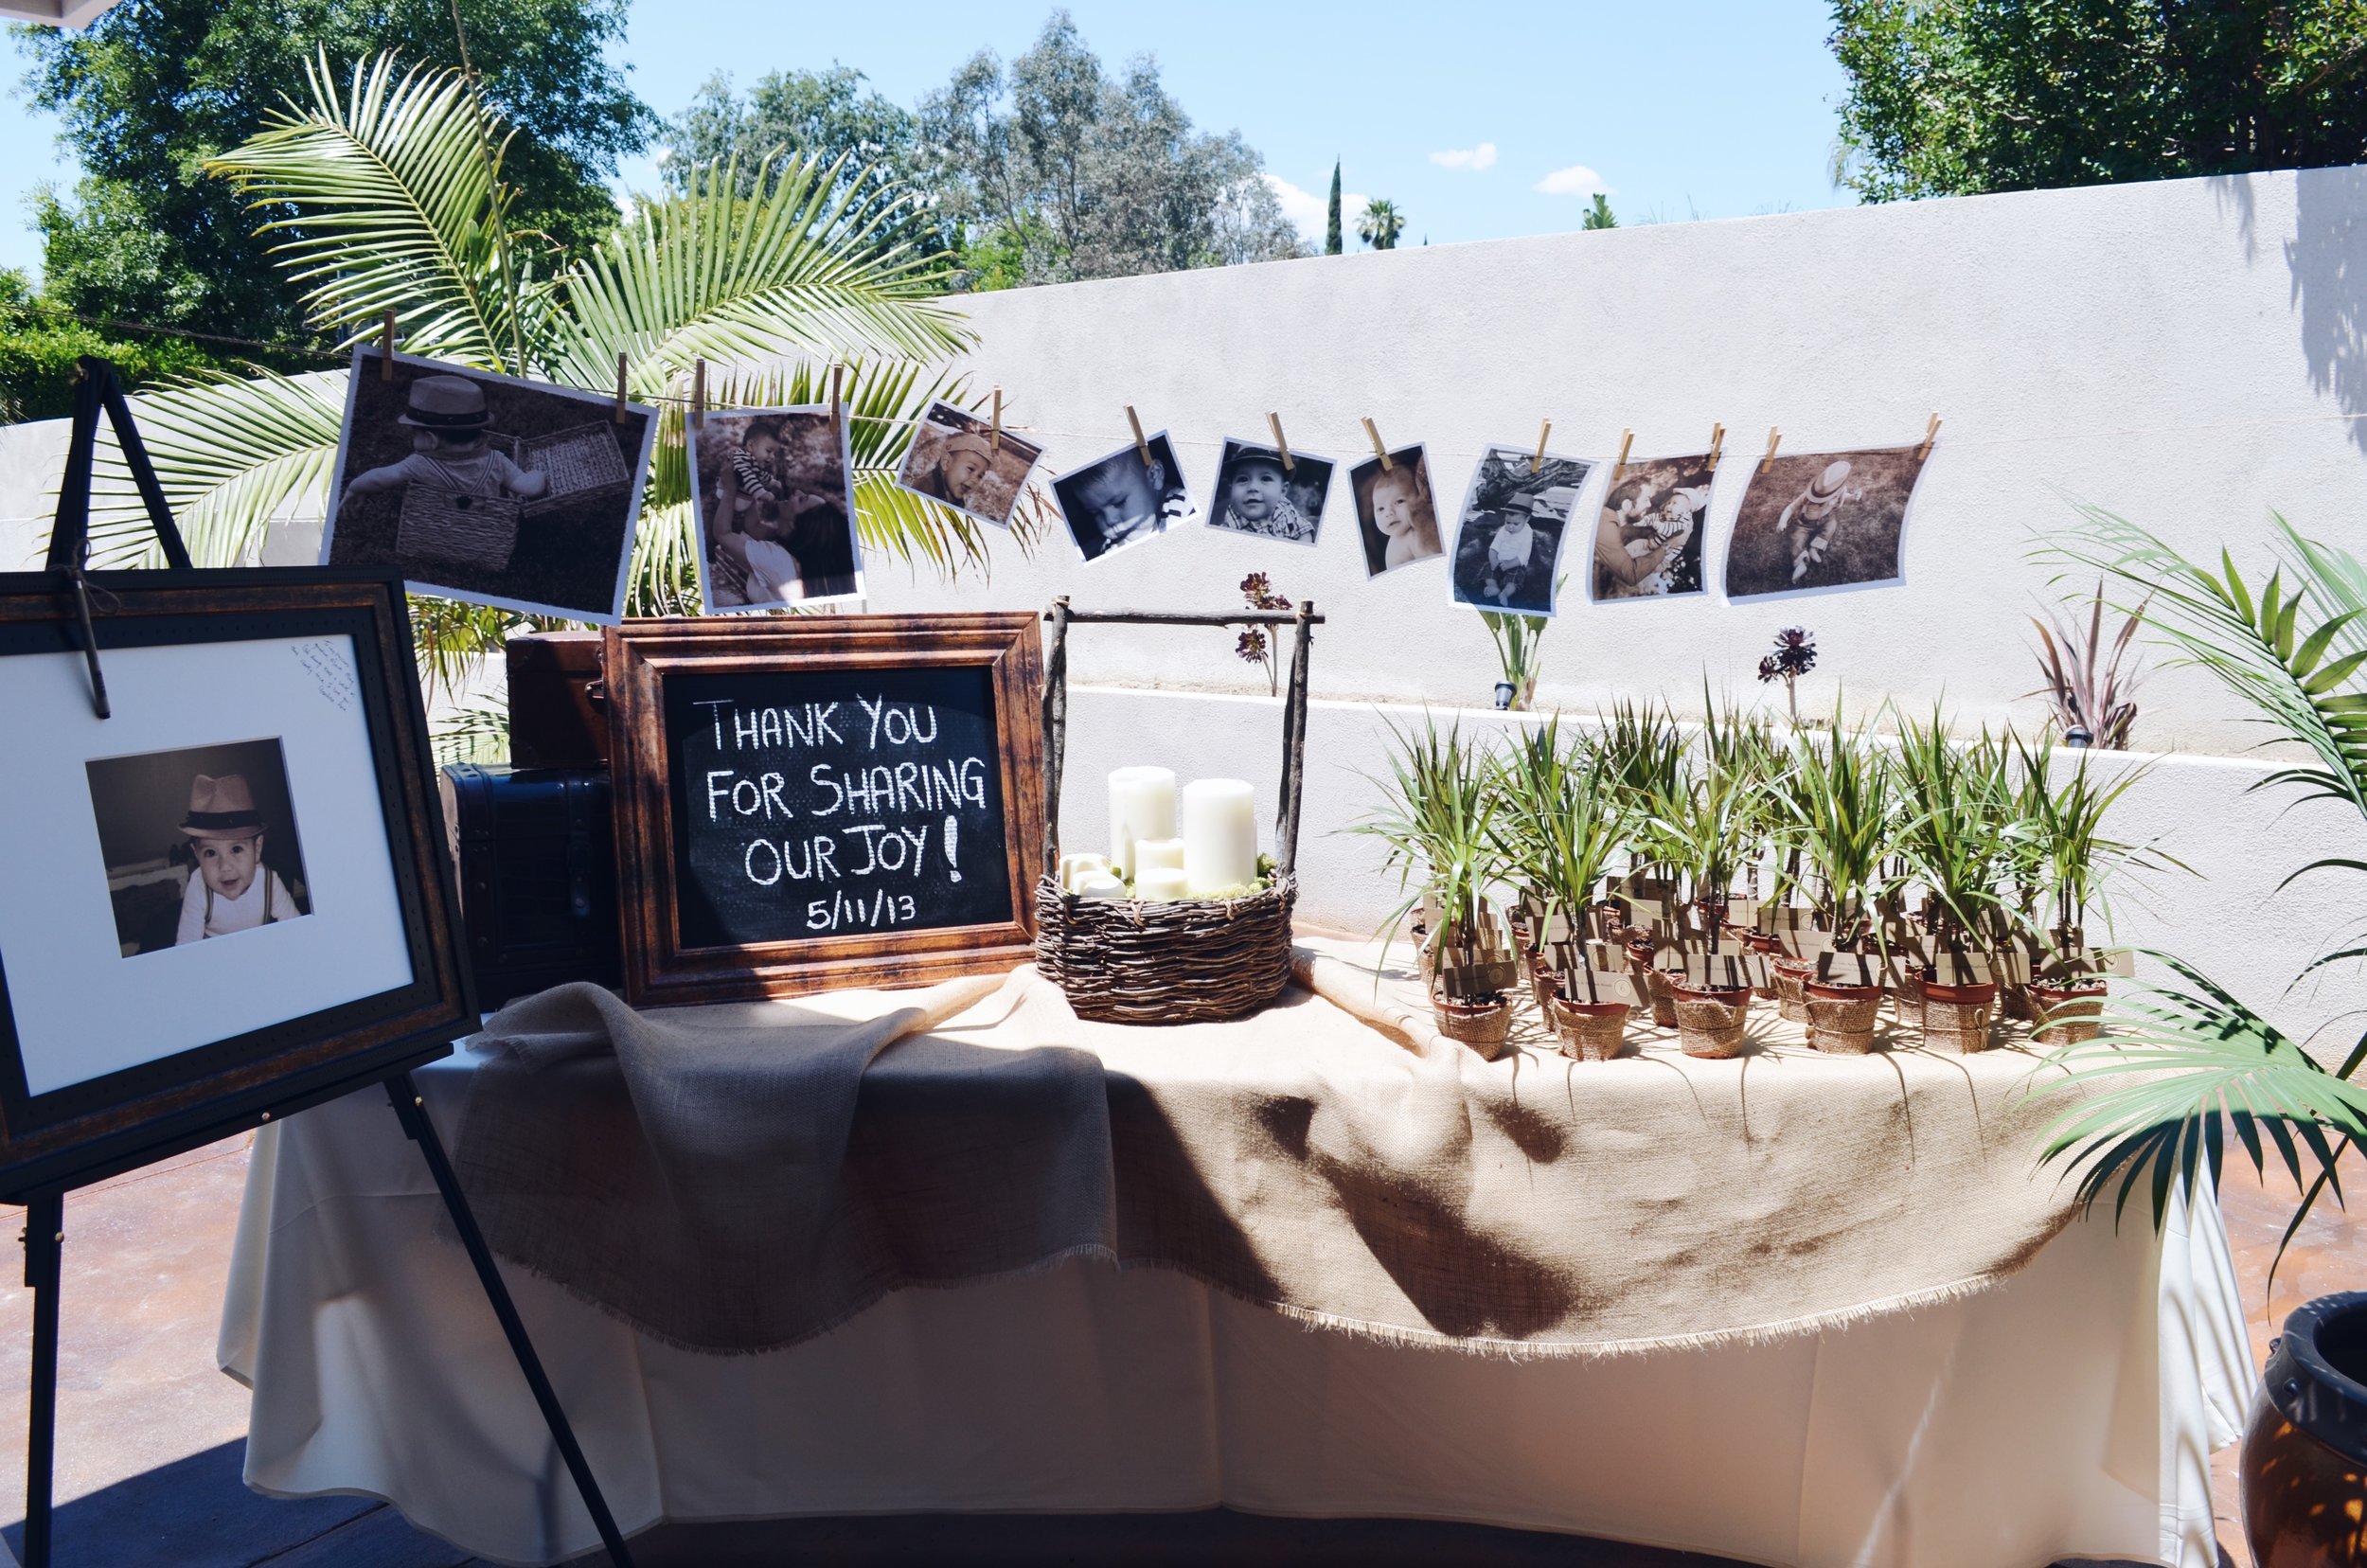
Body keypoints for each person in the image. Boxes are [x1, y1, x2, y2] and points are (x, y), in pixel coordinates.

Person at [342, 376, 548, 506]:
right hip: (484, 530)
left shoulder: (419, 465)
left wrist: (354, 488)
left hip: (439, 527)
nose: (412, 437)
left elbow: (380, 478)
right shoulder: (497, 461)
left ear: (431, 440)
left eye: (415, 433)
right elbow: (530, 488)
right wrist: (538, 473)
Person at [173, 773, 302, 945]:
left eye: (236, 849)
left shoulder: (269, 882)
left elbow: (297, 928)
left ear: (257, 849)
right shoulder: (198, 888)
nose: (225, 866)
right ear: (197, 855)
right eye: (210, 853)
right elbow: (186, 948)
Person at [1069, 451, 1182, 560]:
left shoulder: (1182, 508)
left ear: (1154, 475)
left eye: (1119, 502)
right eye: (1096, 513)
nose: (1109, 520)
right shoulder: (1110, 549)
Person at [1773, 460, 1865, 583]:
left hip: (1826, 518)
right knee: (1797, 539)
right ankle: (1800, 563)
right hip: (1805, 523)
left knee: (1831, 526)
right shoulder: (1808, 495)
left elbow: (1845, 498)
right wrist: (1782, 522)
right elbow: (1791, 507)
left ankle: (1814, 548)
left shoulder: (1840, 490)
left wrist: (1853, 497)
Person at [1216, 446, 1312, 542]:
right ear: (1231, 488)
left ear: (1282, 490)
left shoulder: (1285, 509)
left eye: (1265, 478)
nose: (1253, 487)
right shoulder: (1230, 527)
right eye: (1243, 479)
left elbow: (1304, 530)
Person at [1367, 462, 1441, 571]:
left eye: (1399, 501)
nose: (1389, 513)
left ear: (1420, 497)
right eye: (1381, 509)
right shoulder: (1398, 544)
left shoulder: (1421, 531)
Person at [915, 428, 996, 512]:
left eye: (980, 476)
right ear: (946, 462)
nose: (975, 480)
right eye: (971, 469)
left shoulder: (956, 497)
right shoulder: (924, 489)